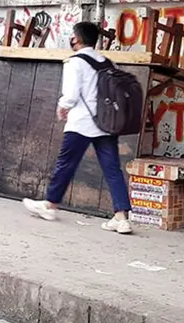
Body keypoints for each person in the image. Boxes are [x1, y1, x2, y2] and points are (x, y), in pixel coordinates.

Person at [22, 22, 133, 234]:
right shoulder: (107, 62)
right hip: (106, 123)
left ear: (76, 38)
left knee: (66, 164)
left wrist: (62, 107)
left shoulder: (75, 62)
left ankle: (50, 205)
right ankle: (122, 218)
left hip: (81, 122)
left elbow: (71, 95)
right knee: (112, 169)